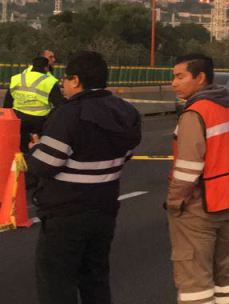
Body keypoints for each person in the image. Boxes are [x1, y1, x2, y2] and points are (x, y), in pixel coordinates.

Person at [26, 51, 142, 304]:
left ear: (76, 80)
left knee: (56, 283)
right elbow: (127, 153)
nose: (63, 86)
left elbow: (45, 165)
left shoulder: (69, 114)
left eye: (65, 80)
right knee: (95, 280)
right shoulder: (126, 112)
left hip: (65, 213)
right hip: (104, 210)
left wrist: (35, 149)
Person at [168, 54, 229, 304]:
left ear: (200, 78)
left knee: (194, 278)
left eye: (180, 76)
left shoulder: (196, 113)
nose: (174, 83)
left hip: (199, 206)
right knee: (225, 274)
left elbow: (188, 168)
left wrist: (174, 203)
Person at [5, 55, 67, 155]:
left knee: (20, 149)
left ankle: (21, 165)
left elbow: (7, 103)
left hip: (19, 118)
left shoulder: (17, 78)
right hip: (40, 121)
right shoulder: (49, 81)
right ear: (46, 67)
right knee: (38, 150)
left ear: (32, 66)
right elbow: (59, 105)